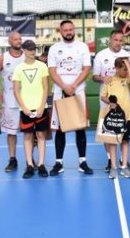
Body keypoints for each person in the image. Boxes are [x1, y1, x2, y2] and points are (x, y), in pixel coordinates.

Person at [48, 20, 93, 176]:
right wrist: (65, 87)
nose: (68, 32)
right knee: (61, 130)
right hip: (60, 93)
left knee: (80, 128)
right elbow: (52, 71)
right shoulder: (54, 49)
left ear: (74, 30)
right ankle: (59, 163)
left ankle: (82, 162)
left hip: (78, 92)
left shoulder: (82, 47)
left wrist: (73, 86)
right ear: (60, 32)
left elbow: (87, 69)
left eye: (70, 29)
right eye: (65, 30)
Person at [92, 30, 130, 172]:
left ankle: (123, 161)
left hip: (123, 99)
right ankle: (110, 159)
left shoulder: (127, 56)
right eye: (116, 40)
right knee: (107, 130)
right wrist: (104, 78)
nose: (118, 43)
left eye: (121, 40)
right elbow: (94, 76)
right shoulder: (101, 55)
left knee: (123, 129)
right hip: (106, 98)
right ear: (110, 40)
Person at [13, 40, 50, 178]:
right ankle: (29, 165)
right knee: (28, 136)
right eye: (29, 49)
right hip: (26, 109)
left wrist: (41, 106)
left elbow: (46, 87)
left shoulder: (42, 66)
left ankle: (41, 165)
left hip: (41, 107)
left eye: (34, 48)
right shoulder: (18, 68)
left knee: (41, 136)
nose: (32, 51)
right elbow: (16, 90)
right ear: (23, 50)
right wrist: (24, 107)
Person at [100, 57, 130, 179]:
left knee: (125, 142)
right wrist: (110, 102)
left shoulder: (126, 80)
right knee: (113, 142)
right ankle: (113, 167)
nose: (126, 72)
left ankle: (124, 167)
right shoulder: (109, 81)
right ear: (116, 68)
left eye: (127, 70)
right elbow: (103, 96)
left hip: (127, 117)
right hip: (114, 117)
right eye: (124, 69)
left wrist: (128, 65)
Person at [0, 31, 25, 173]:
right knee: (11, 133)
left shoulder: (28, 56)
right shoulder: (3, 58)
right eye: (15, 39)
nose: (18, 41)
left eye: (20, 39)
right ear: (9, 42)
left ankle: (31, 160)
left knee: (31, 133)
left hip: (28, 101)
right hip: (10, 101)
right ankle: (12, 159)